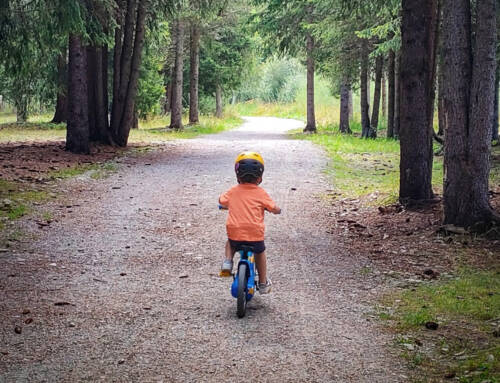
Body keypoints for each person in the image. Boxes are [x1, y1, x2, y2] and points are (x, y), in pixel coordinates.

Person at [218, 151, 281, 294]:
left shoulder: (233, 191)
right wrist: (277, 210)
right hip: (255, 234)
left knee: (230, 243)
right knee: (260, 252)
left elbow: (221, 200)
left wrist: (224, 204)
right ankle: (263, 283)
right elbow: (273, 207)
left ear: (237, 175)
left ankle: (228, 262)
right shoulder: (261, 193)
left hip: (235, 231)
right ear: (260, 177)